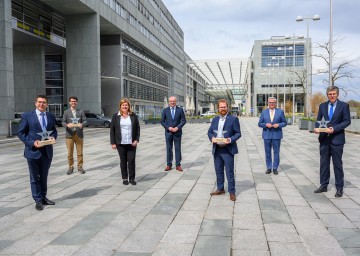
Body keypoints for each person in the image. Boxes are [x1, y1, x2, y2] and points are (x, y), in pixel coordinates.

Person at [18, 95, 58, 210]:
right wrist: (31, 143)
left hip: (47, 152)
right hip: (33, 151)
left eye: (44, 102)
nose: (42, 104)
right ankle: (38, 200)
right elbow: (21, 133)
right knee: (34, 177)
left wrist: (53, 137)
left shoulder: (50, 116)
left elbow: (54, 131)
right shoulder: (27, 116)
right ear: (35, 103)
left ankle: (44, 197)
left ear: (47, 104)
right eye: (39, 102)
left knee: (44, 176)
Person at [314, 85, 351, 197]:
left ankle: (339, 187)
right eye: (330, 94)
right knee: (324, 163)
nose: (332, 96)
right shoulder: (323, 106)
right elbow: (319, 120)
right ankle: (323, 185)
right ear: (327, 95)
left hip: (337, 139)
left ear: (337, 94)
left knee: (337, 164)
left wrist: (335, 129)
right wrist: (316, 128)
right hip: (324, 139)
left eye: (334, 94)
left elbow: (347, 121)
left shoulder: (344, 106)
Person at [208, 99, 241, 201]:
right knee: (218, 171)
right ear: (218, 108)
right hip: (217, 149)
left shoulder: (233, 119)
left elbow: (238, 133)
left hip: (228, 149)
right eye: (221, 107)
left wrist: (230, 139)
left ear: (227, 108)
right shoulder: (214, 119)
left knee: (229, 172)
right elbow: (209, 132)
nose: (223, 109)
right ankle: (220, 188)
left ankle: (232, 192)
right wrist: (211, 138)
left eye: (224, 107)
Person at [110, 98, 140, 185]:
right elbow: (112, 130)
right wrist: (113, 143)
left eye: (126, 105)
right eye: (123, 105)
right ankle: (124, 178)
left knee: (131, 160)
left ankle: (131, 178)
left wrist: (136, 140)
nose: (124, 106)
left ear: (129, 106)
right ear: (120, 106)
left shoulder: (133, 115)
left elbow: (137, 128)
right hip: (120, 143)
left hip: (131, 143)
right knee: (123, 161)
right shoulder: (115, 116)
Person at [258, 97, 287, 175]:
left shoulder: (280, 112)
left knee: (276, 152)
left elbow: (284, 122)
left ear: (275, 103)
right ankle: (269, 167)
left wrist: (279, 125)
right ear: (268, 103)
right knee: (267, 152)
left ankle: (275, 168)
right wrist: (265, 124)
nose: (271, 104)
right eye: (270, 102)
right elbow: (259, 123)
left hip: (277, 135)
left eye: (273, 102)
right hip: (266, 135)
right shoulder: (264, 112)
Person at [62, 96, 87, 175]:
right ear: (69, 102)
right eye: (72, 101)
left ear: (77, 102)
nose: (73, 102)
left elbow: (85, 121)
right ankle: (71, 167)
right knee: (70, 153)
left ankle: (80, 167)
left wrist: (82, 125)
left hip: (79, 134)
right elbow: (63, 122)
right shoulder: (66, 112)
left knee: (80, 153)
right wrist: (67, 125)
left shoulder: (81, 111)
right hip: (69, 134)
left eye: (75, 101)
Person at [161, 96, 186, 171]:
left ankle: (178, 165)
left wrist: (177, 128)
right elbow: (162, 121)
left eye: (174, 101)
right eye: (171, 101)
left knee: (178, 148)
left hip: (177, 132)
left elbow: (183, 120)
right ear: (169, 102)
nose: (172, 102)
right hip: (168, 132)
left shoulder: (180, 110)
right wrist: (168, 128)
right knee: (169, 149)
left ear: (176, 102)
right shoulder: (165, 110)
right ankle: (169, 164)